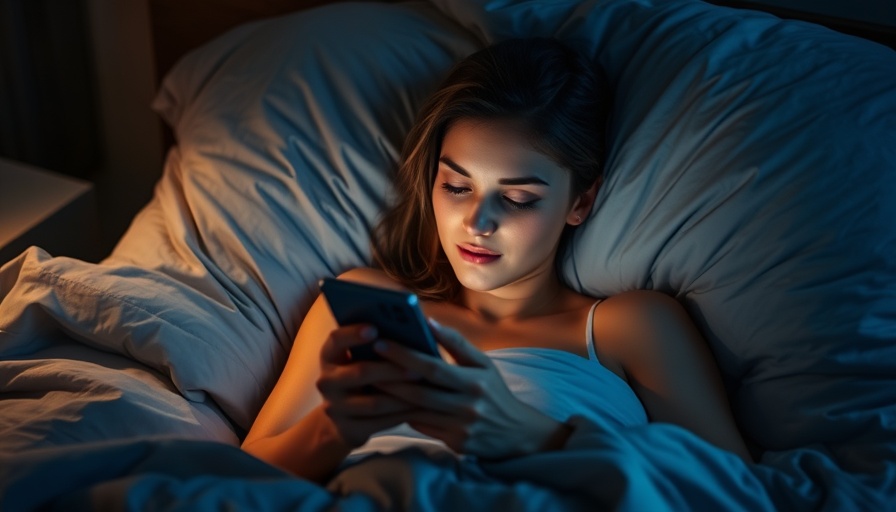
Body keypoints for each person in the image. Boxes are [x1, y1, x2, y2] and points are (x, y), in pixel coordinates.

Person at [242, 38, 751, 482]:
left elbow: (736, 491)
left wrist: (532, 436)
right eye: (457, 186)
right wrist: (332, 430)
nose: (476, 221)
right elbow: (233, 478)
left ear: (580, 202)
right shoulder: (365, 305)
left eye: (518, 198)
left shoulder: (630, 327)